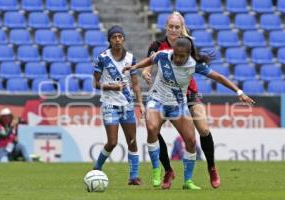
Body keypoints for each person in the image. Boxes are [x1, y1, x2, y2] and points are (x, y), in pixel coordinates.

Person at [123, 37, 255, 190]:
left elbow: (218, 77)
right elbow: (150, 60)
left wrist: (239, 92)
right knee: (151, 128)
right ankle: (156, 170)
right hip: (157, 100)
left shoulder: (194, 64)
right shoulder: (164, 55)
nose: (178, 58)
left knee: (191, 140)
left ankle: (188, 181)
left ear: (188, 54)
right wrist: (134, 67)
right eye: (176, 55)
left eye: (182, 56)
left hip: (178, 105)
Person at [143, 11, 220, 189]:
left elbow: (197, 65)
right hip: (164, 95)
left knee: (203, 129)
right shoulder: (157, 45)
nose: (174, 30)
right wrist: (146, 72)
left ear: (182, 28)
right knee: (153, 129)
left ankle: (212, 168)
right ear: (166, 28)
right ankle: (168, 170)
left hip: (189, 93)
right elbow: (149, 65)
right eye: (171, 27)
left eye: (177, 27)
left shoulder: (187, 44)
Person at [92, 25, 144, 185]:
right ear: (109, 40)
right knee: (112, 142)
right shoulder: (102, 57)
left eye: (120, 37)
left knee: (132, 141)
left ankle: (133, 177)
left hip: (127, 105)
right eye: (114, 37)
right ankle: (97, 168)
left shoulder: (130, 57)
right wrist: (111, 87)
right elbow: (95, 83)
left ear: (124, 39)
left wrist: (140, 102)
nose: (117, 40)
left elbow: (135, 83)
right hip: (109, 104)